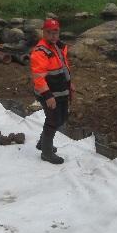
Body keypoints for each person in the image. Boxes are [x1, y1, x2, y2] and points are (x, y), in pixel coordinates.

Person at [30, 18, 75, 165]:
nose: (53, 35)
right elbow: (38, 78)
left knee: (61, 118)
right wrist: (48, 96)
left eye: (55, 32)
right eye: (49, 33)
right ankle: (46, 153)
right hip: (49, 94)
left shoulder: (59, 47)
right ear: (44, 32)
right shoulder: (40, 52)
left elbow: (64, 68)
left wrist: (70, 84)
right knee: (53, 120)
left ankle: (43, 143)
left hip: (61, 91)